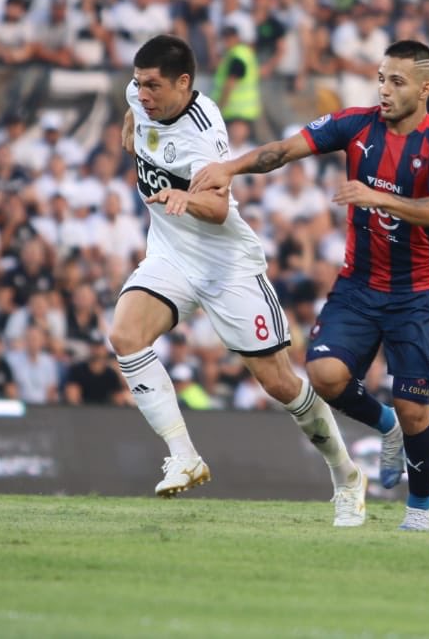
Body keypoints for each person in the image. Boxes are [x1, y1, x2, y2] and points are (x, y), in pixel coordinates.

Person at [191, 39, 429, 532]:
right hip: (358, 285)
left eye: (396, 81)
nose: (384, 89)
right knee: (325, 376)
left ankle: (419, 512)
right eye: (381, 78)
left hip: (415, 291)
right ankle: (385, 428)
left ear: (425, 89)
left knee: (415, 410)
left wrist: (376, 194)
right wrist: (229, 168)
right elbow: (281, 151)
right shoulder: (355, 125)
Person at [111, 35, 364, 526]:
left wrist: (188, 199)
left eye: (153, 87)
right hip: (170, 254)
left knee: (279, 382)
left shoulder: (203, 134)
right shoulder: (138, 97)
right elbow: (134, 116)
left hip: (225, 263)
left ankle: (346, 474)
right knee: (125, 335)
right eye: (139, 84)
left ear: (184, 84)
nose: (143, 94)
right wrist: (129, 127)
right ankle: (183, 455)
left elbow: (219, 206)